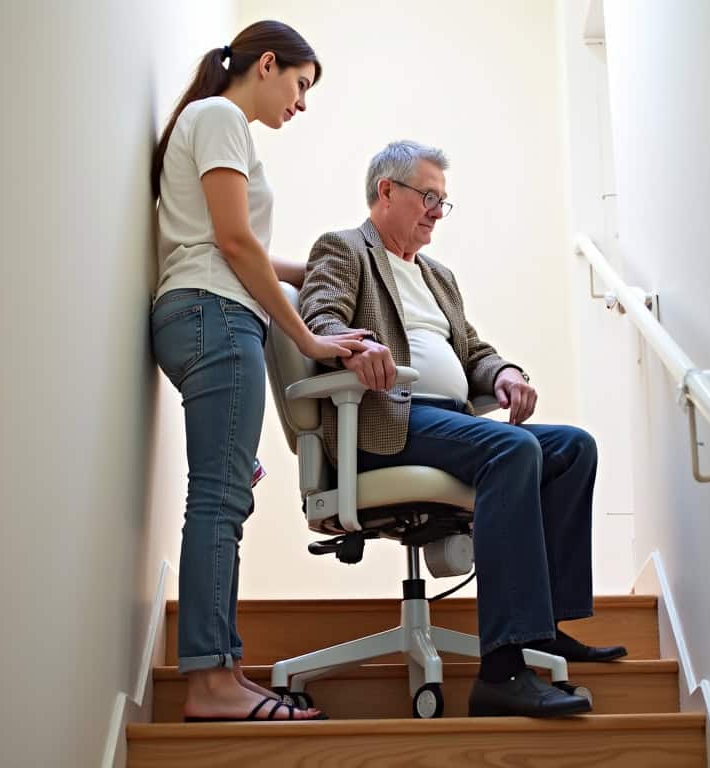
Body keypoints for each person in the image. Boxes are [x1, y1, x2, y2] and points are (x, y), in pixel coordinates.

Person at [299, 140, 627, 718]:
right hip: (388, 421)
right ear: (386, 192)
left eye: (442, 202)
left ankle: (542, 629)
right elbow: (319, 315)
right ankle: (501, 671)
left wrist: (503, 373)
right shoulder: (346, 249)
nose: (435, 211)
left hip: (451, 423)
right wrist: (356, 347)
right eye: (428, 197)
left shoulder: (438, 275)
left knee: (573, 447)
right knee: (514, 449)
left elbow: (473, 348)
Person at [150, 21, 367, 723]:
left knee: (223, 499)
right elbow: (234, 243)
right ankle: (210, 684)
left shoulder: (212, 122)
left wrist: (318, 272)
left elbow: (233, 243)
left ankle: (227, 672)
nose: (300, 104)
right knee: (219, 501)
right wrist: (304, 330)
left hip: (203, 312)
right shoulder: (219, 117)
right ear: (267, 64)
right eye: (300, 85)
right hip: (216, 317)